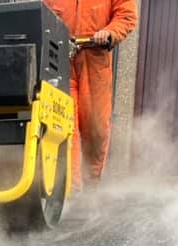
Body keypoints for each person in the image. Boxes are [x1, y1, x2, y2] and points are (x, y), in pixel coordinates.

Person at [45, 0, 139, 189]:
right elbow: (43, 15)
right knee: (64, 122)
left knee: (96, 128)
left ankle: (91, 183)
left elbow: (126, 16)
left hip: (95, 61)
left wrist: (110, 32)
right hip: (61, 61)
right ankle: (70, 186)